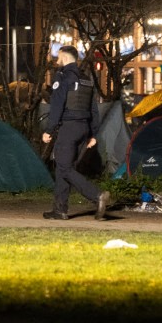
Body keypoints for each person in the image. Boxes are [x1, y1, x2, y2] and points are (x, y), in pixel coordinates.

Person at [41, 46, 112, 220]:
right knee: (63, 168)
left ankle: (97, 196)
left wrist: (49, 130)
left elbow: (57, 105)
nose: (57, 61)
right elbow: (93, 109)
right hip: (83, 129)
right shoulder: (86, 79)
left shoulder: (63, 77)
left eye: (58, 57)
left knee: (64, 168)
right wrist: (93, 134)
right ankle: (60, 210)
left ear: (64, 58)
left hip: (69, 128)